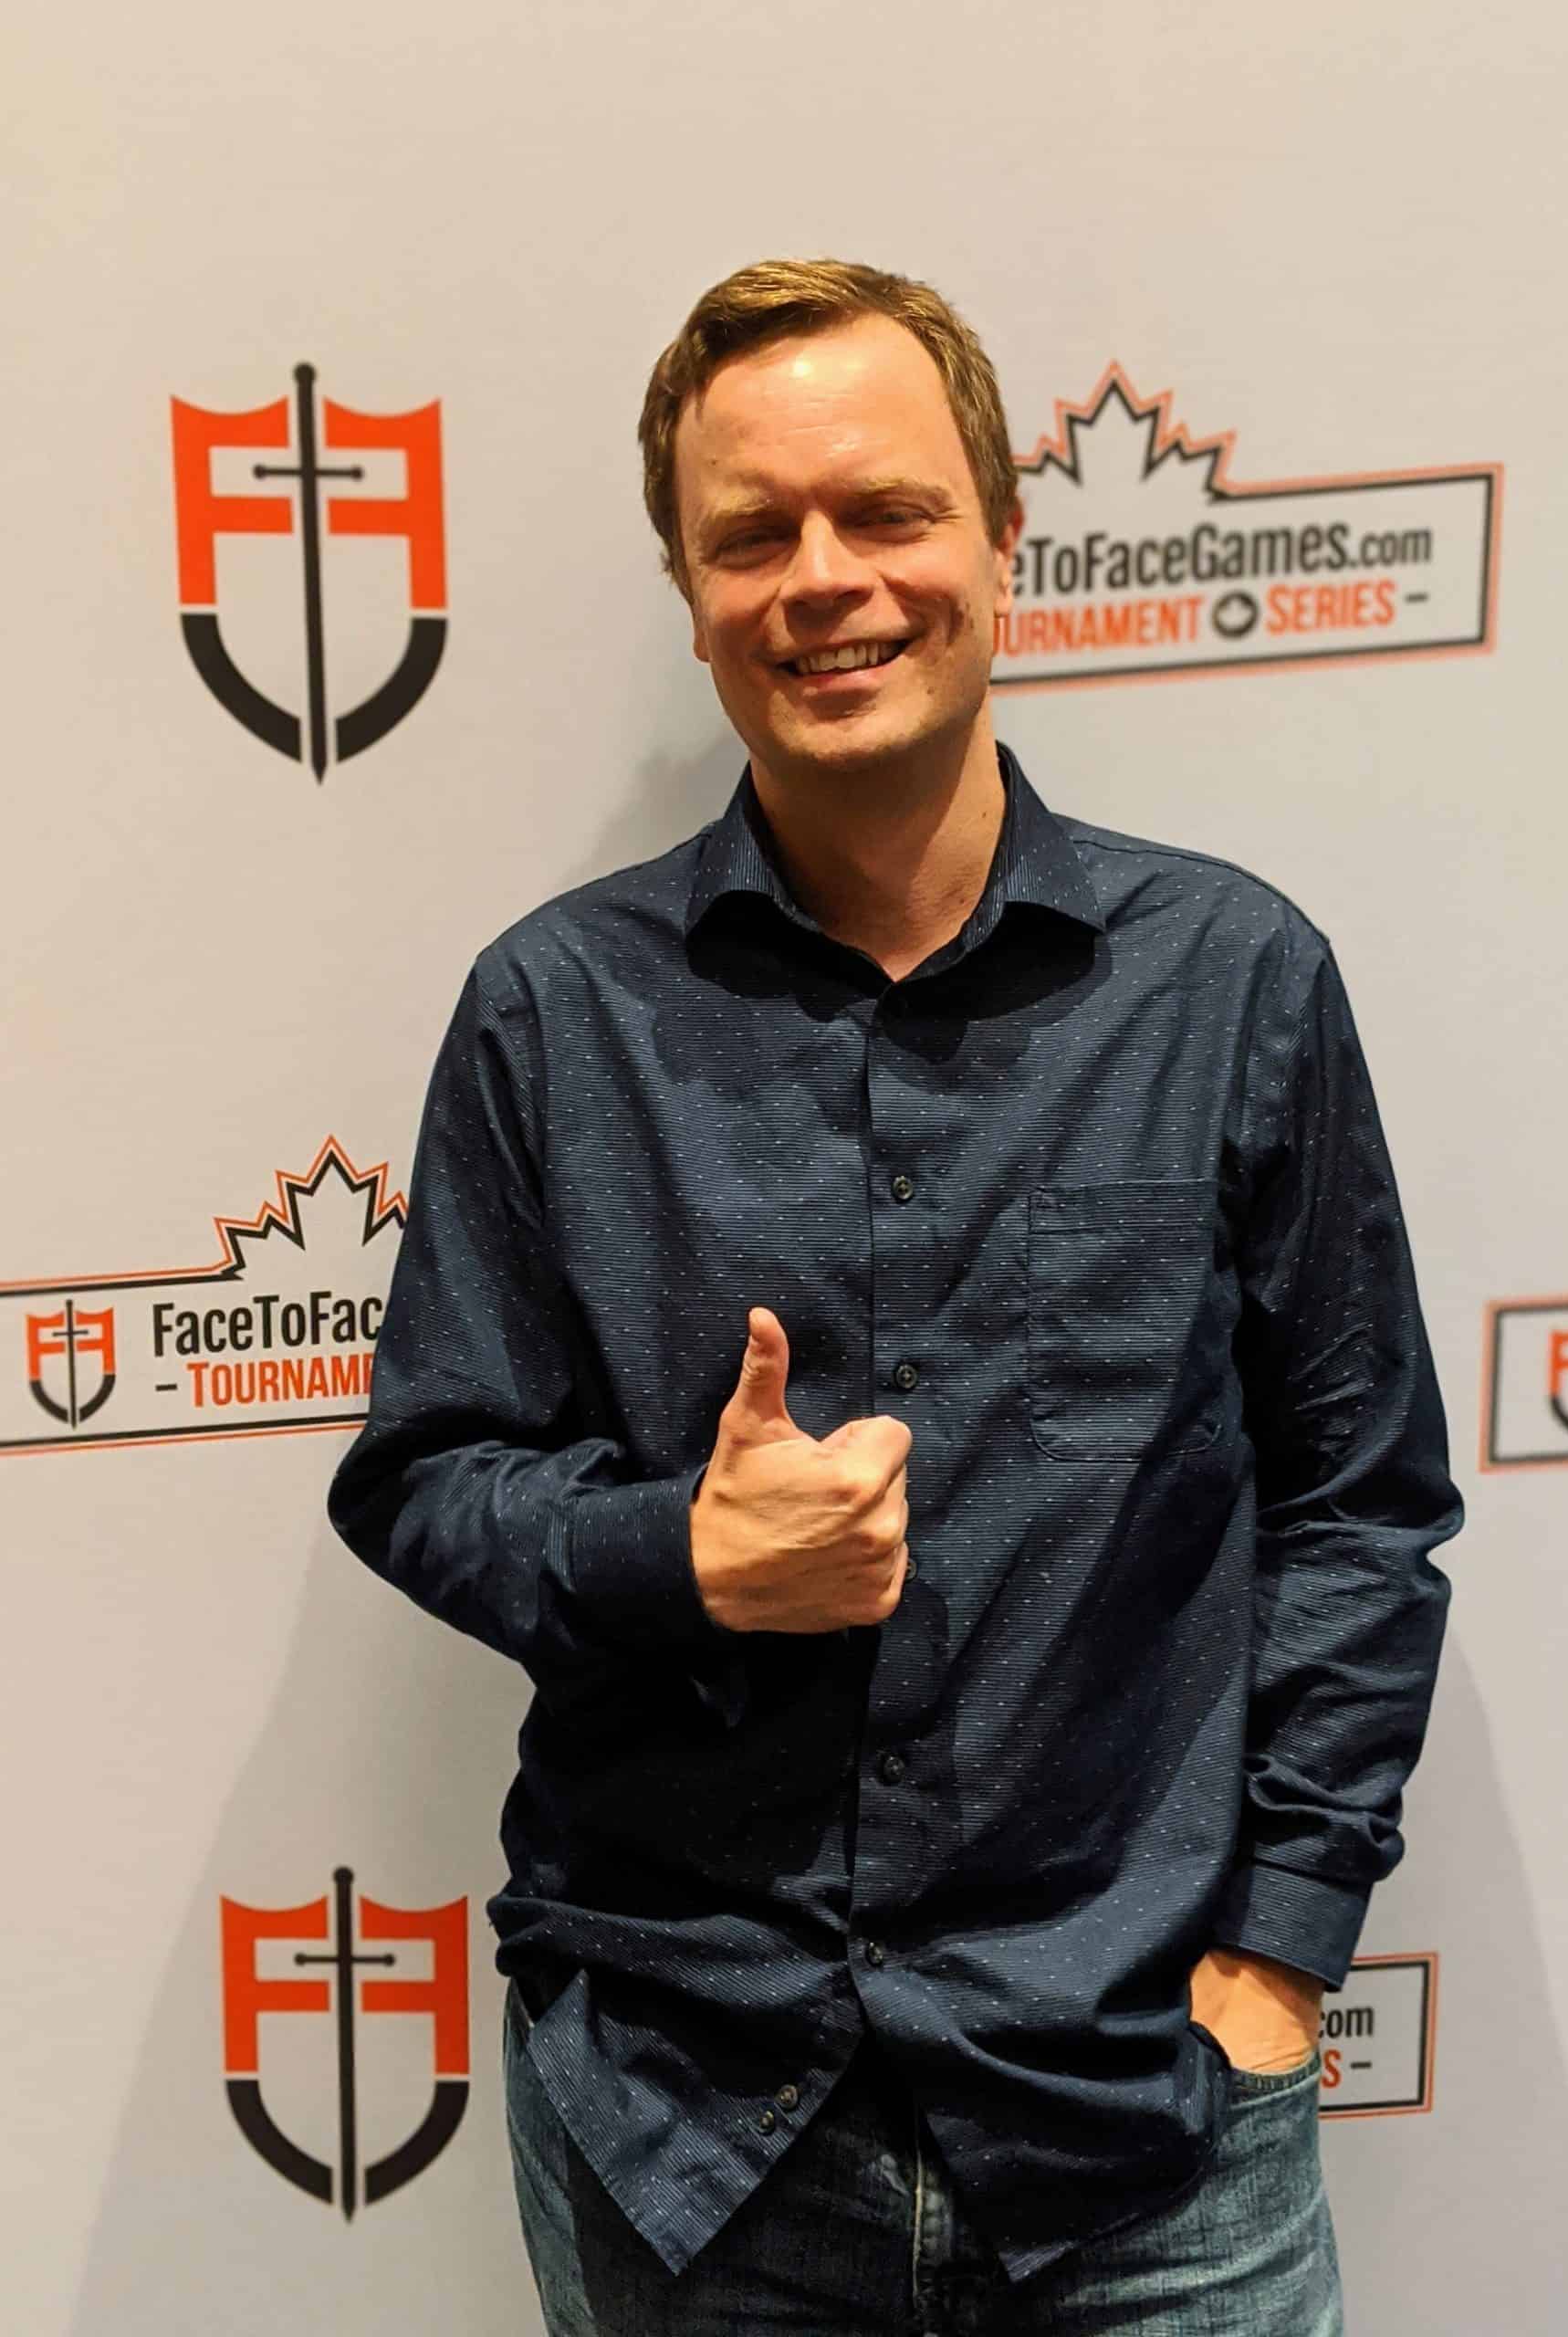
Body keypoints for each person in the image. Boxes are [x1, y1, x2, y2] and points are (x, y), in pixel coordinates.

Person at [329, 257, 1462, 2336]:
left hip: (1142, 2127)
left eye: (887, 511)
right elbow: (422, 1475)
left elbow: (1357, 1502)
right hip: (688, 2130)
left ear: (1005, 540)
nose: (824, 580)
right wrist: (680, 1555)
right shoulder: (553, 1013)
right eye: (751, 533)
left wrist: (1280, 1953)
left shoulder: (1231, 982)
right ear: (688, 595)